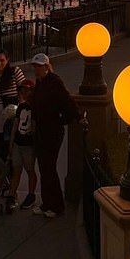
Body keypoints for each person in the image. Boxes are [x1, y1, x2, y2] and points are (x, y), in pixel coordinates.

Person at [29, 53, 85, 218]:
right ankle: (47, 202)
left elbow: (67, 101)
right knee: (43, 168)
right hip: (41, 131)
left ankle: (57, 204)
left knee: (49, 168)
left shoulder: (54, 82)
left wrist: (72, 118)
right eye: (35, 67)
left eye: (39, 67)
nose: (36, 70)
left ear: (46, 67)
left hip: (52, 132)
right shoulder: (40, 84)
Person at [4, 79, 37, 211]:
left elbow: (34, 126)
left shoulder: (34, 107)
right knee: (16, 170)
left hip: (28, 145)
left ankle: (31, 194)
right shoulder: (21, 106)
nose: (23, 93)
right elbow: (15, 127)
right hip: (18, 142)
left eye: (26, 91)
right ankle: (12, 194)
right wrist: (11, 145)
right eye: (22, 91)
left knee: (29, 170)